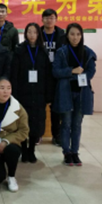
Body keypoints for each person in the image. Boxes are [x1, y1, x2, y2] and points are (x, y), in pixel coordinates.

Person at [53, 23, 97, 167]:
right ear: (67, 35)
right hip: (65, 93)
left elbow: (91, 72)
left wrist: (78, 76)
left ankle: (75, 152)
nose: (75, 37)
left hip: (81, 93)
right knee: (66, 123)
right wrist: (72, 71)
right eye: (72, 34)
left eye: (78, 34)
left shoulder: (87, 52)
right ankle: (66, 152)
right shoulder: (61, 52)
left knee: (77, 124)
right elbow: (56, 71)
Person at [11, 23, 51, 163]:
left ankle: (32, 149)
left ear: (38, 34)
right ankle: (23, 149)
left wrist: (48, 95)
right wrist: (14, 94)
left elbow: (48, 75)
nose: (32, 35)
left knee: (36, 122)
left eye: (35, 32)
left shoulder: (43, 51)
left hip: (39, 93)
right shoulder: (19, 51)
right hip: (23, 92)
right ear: (25, 34)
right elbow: (14, 74)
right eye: (29, 32)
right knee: (22, 122)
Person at [40, 8, 66, 146]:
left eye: (51, 18)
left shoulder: (62, 35)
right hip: (40, 74)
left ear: (56, 19)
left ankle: (57, 135)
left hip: (57, 75)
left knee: (56, 107)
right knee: (39, 105)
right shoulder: (37, 33)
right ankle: (38, 134)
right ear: (42, 19)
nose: (49, 20)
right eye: (46, 18)